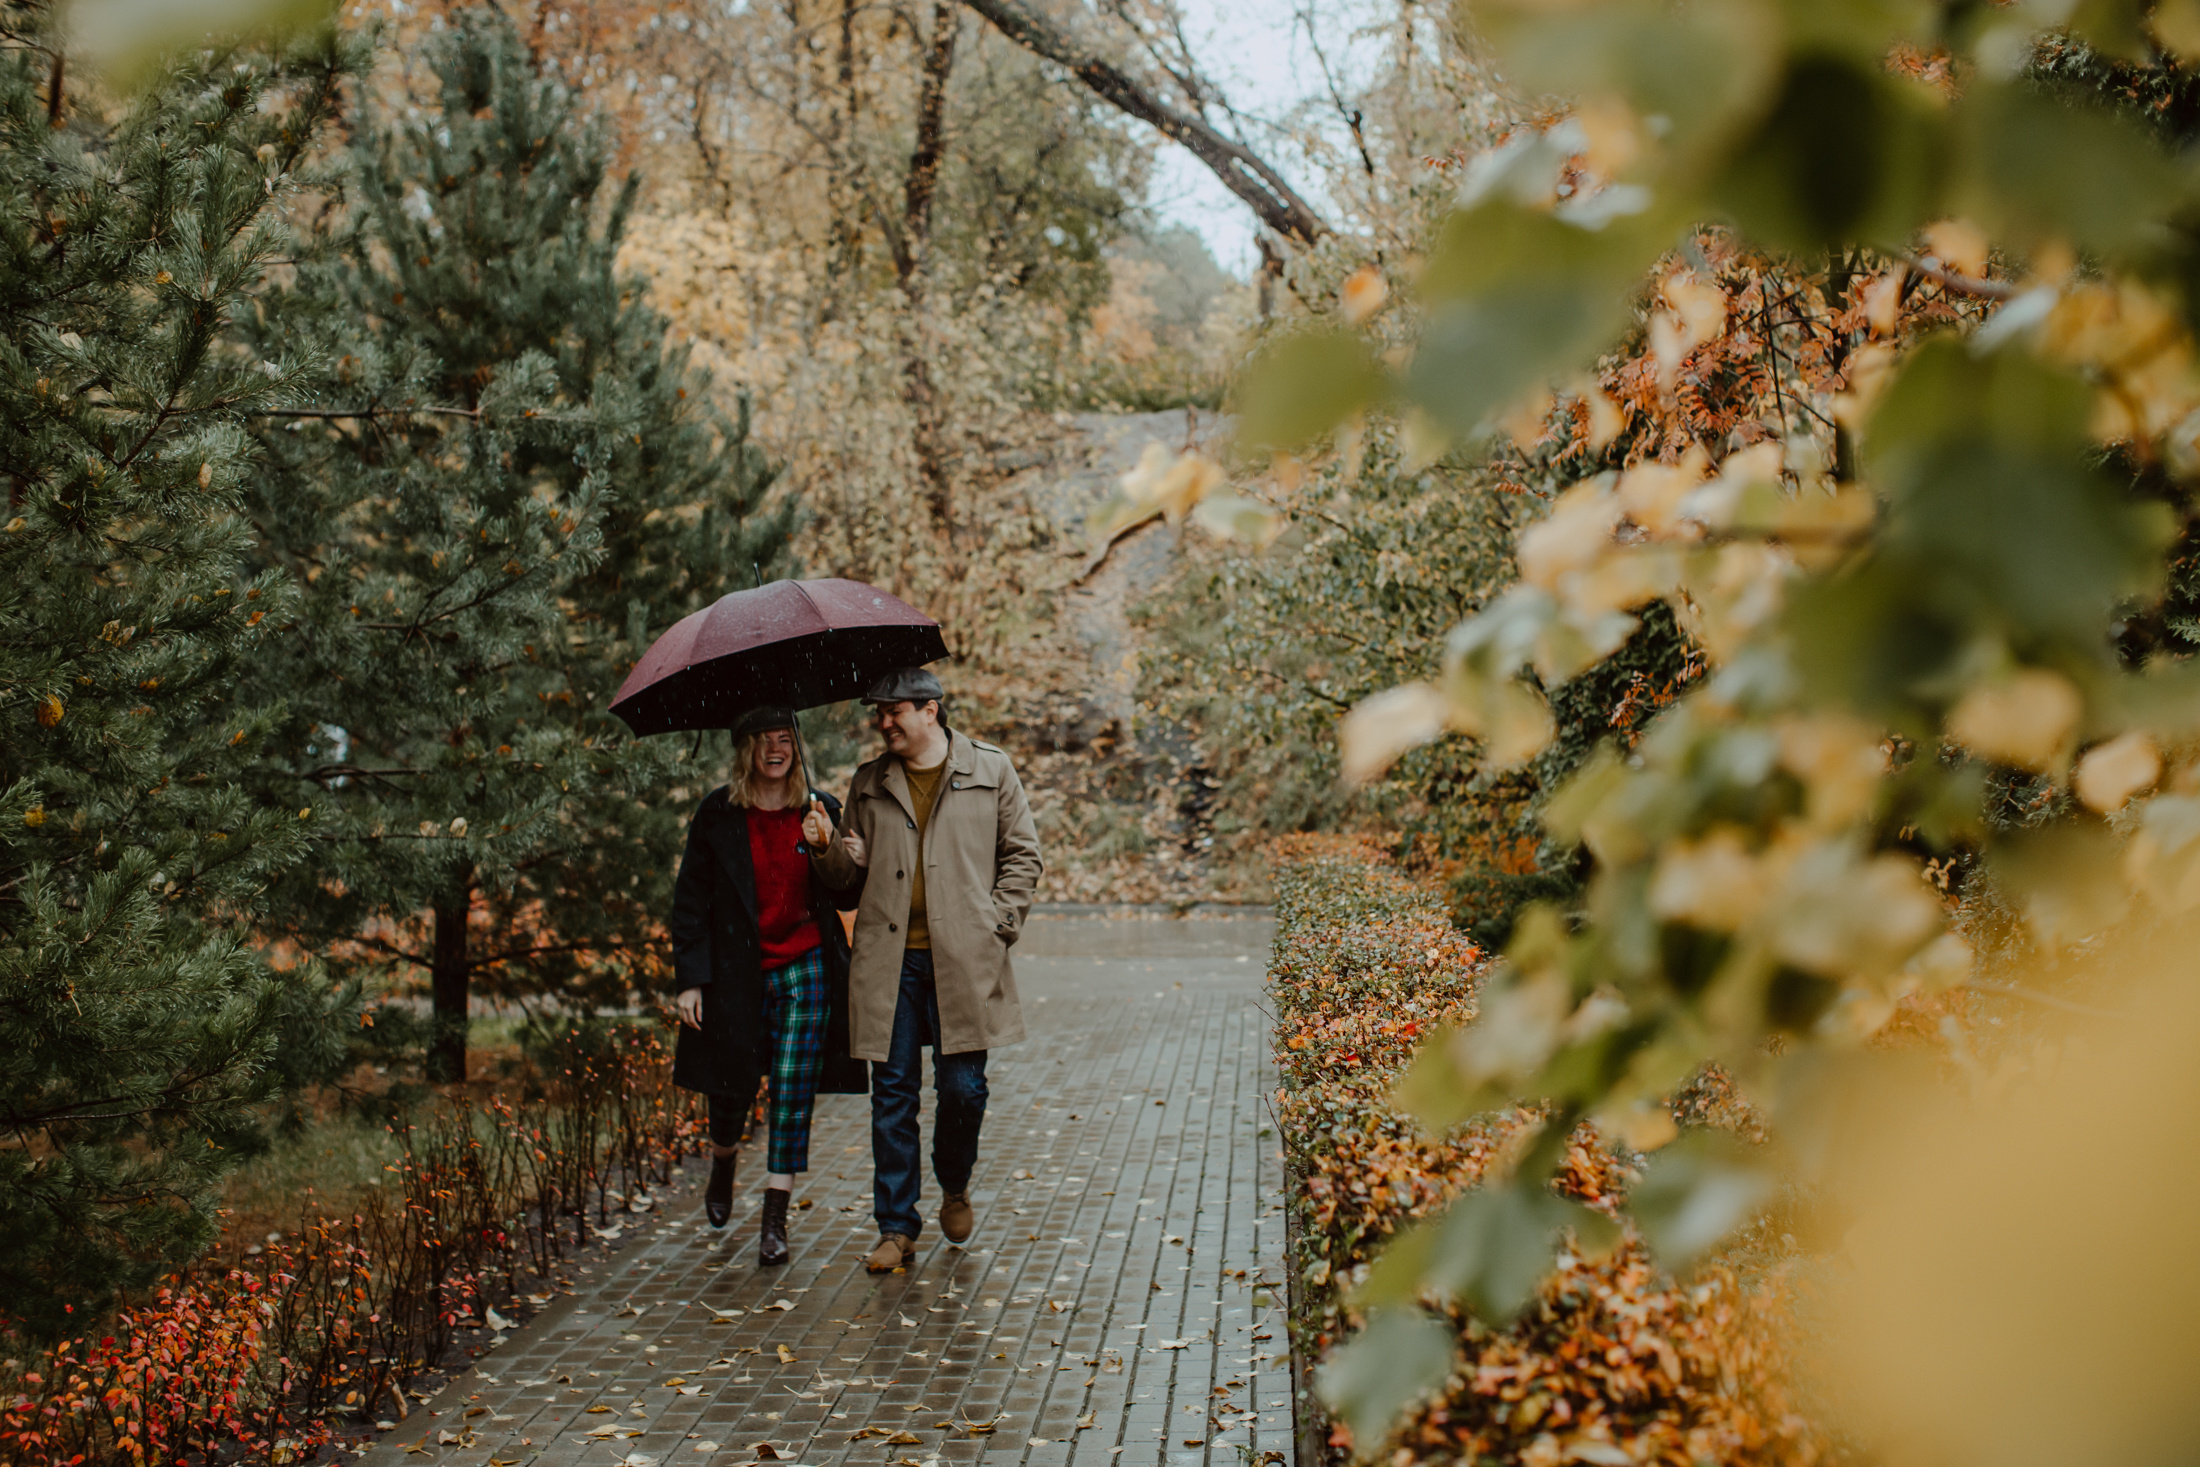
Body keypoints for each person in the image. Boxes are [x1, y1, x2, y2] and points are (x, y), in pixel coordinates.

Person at [809, 668, 1043, 1273]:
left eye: (896, 711)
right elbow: (846, 886)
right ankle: (896, 1226)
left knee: (963, 1090)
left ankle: (955, 1182)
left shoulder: (990, 770)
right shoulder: (868, 783)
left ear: (931, 710)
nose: (884, 722)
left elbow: (1023, 854)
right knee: (891, 1096)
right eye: (878, 713)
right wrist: (825, 848)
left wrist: (998, 924)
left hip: (963, 959)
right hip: (890, 964)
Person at [669, 705, 865, 1266]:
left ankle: (774, 1219)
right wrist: (692, 981)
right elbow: (691, 903)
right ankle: (724, 1161)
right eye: (763, 740)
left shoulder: (820, 808)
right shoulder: (718, 813)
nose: (776, 749)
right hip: (736, 974)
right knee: (729, 1090)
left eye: (784, 738)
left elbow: (849, 893)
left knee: (790, 1092)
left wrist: (834, 847)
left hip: (806, 968)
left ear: (797, 745)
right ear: (745, 749)